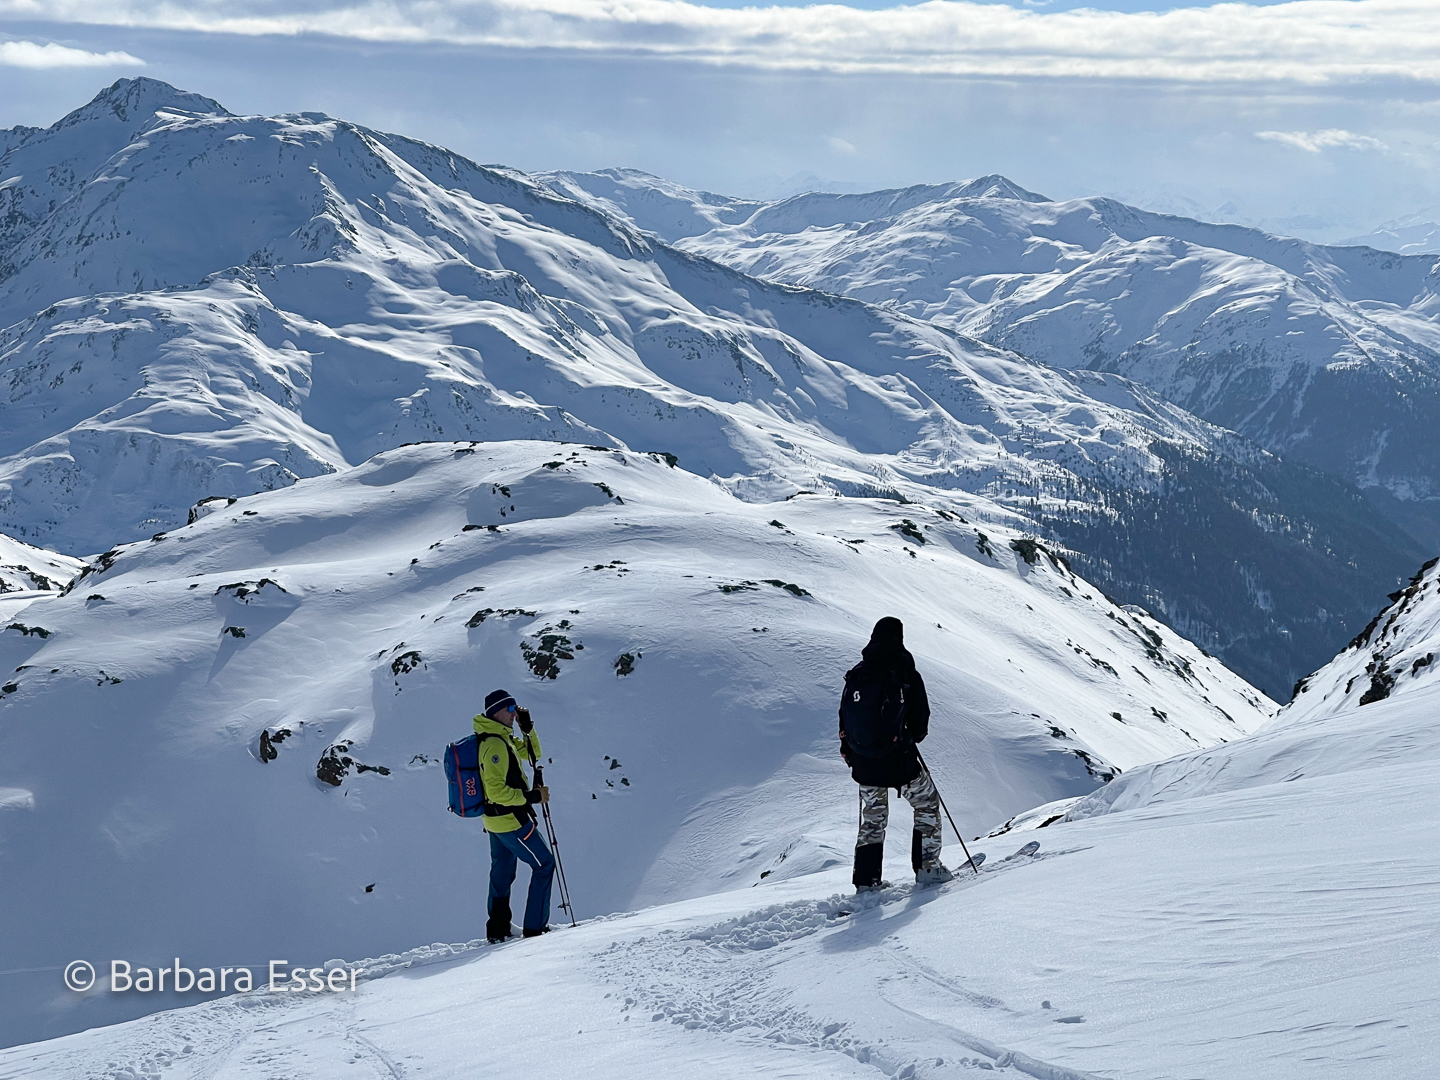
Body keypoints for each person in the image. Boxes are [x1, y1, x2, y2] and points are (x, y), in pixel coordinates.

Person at [838, 617, 952, 891]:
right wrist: (907, 737)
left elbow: (844, 718)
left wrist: (852, 753)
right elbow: (921, 723)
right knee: (926, 805)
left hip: (864, 763)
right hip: (899, 760)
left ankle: (867, 881)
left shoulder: (857, 673)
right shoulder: (906, 673)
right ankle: (927, 869)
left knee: (872, 818)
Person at [475, 688, 556, 942]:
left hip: (495, 822)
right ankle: (535, 927)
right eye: (509, 710)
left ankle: (498, 929)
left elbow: (533, 754)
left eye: (515, 709)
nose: (513, 714)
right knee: (544, 864)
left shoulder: (501, 737)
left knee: (502, 871)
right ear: (495, 712)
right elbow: (497, 791)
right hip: (510, 820)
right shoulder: (495, 745)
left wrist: (527, 728)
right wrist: (531, 797)